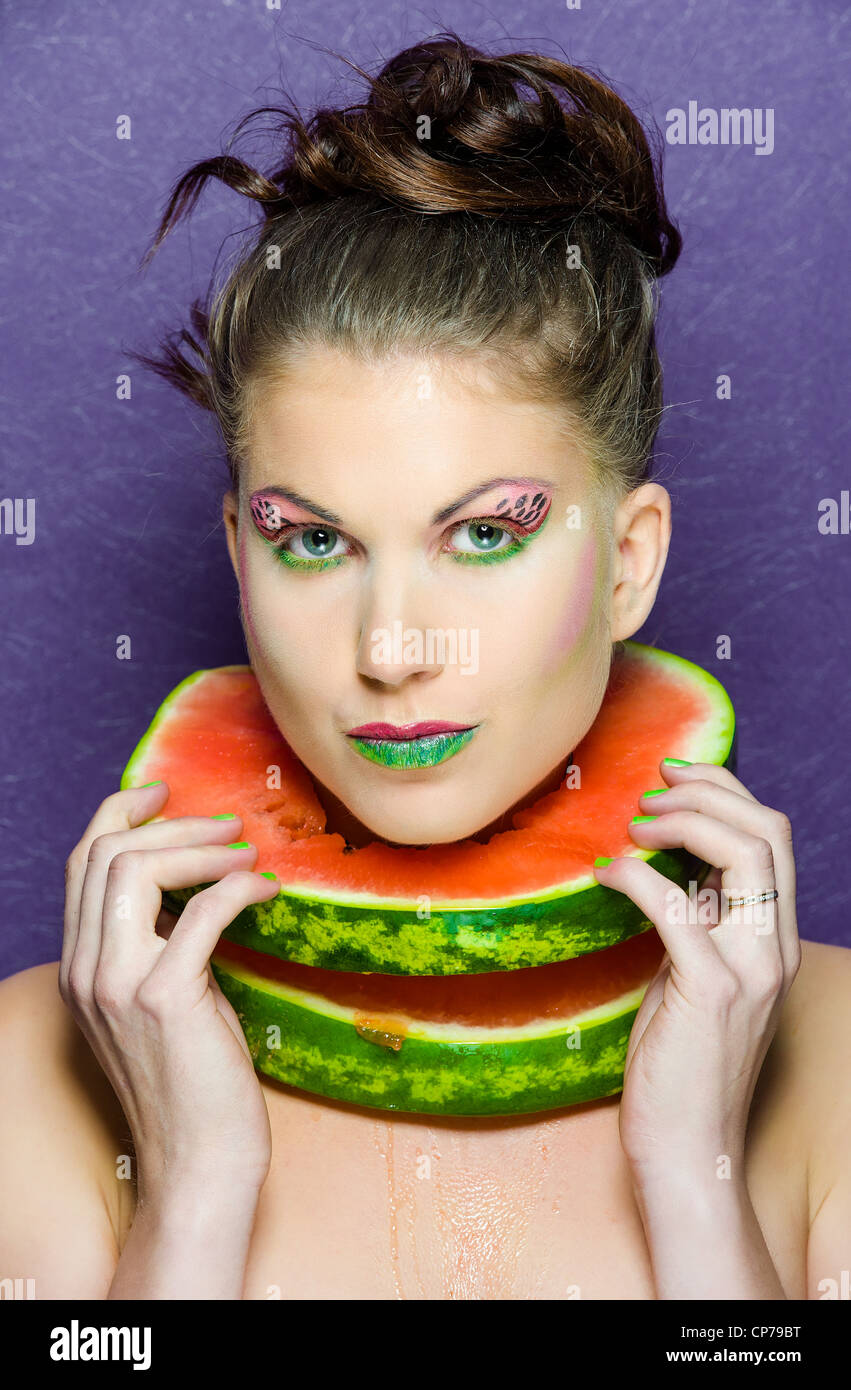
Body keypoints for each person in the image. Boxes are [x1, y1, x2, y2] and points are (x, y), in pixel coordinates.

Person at [1, 33, 848, 1301]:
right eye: (313, 540)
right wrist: (185, 1210)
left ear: (628, 563)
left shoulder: (832, 1072)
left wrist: (696, 1187)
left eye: (488, 533)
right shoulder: (33, 1076)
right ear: (239, 556)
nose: (392, 651)